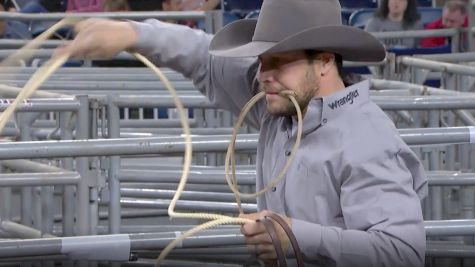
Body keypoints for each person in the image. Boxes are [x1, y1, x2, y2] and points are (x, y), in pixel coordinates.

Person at [58, 0, 427, 266]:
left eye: (280, 61)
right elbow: (203, 57)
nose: (264, 73)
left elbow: (403, 253)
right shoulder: (281, 104)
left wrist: (296, 236)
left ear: (326, 61)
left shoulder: (366, 139)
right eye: (262, 60)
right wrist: (133, 33)